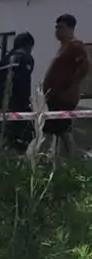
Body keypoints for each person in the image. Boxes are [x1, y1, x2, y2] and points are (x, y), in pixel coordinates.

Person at [40, 13, 90, 157]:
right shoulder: (63, 48)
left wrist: (70, 86)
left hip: (64, 100)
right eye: (56, 27)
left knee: (54, 133)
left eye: (61, 27)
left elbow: (84, 67)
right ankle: (66, 162)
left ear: (70, 29)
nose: (57, 30)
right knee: (62, 133)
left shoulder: (75, 46)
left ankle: (41, 161)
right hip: (55, 99)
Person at [0, 32, 36, 154]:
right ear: (28, 46)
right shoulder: (25, 58)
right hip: (17, 107)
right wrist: (25, 106)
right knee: (27, 135)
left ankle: (3, 166)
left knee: (6, 139)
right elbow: (23, 84)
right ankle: (11, 163)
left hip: (0, 109)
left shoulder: (1, 63)